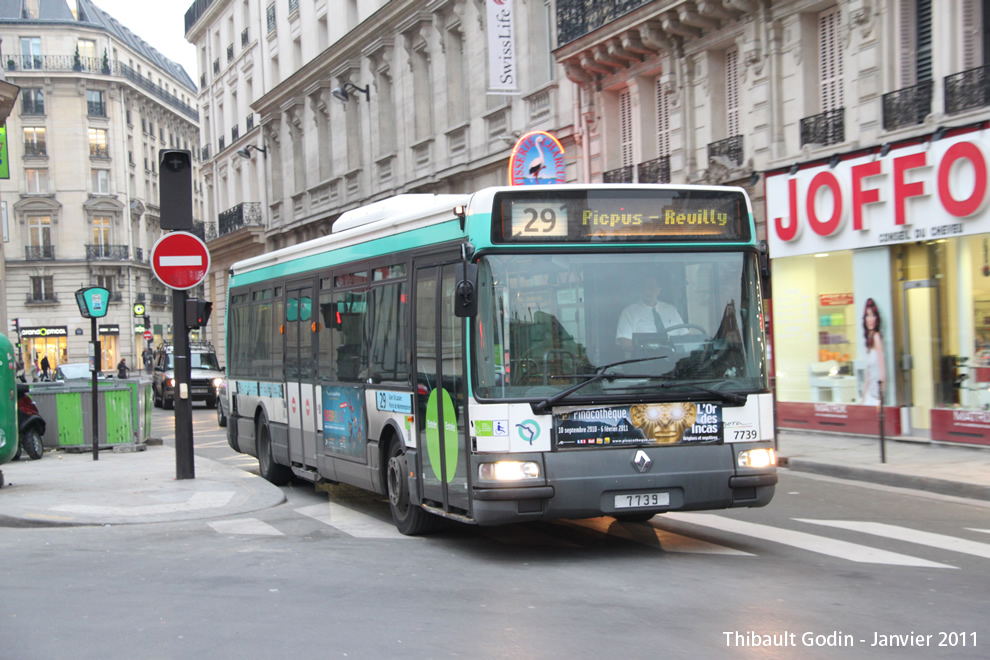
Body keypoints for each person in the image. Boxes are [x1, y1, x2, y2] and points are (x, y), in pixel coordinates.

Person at [615, 275, 687, 354]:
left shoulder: (671, 310)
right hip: (646, 361)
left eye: (651, 287)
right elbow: (626, 344)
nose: (647, 291)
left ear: (659, 290)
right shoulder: (629, 312)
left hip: (676, 360)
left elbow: (685, 336)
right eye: (643, 287)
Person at [861, 297, 886, 406]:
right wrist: (863, 397)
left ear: (876, 318)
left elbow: (883, 370)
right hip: (869, 396)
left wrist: (880, 397)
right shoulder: (869, 340)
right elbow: (868, 373)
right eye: (868, 315)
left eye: (873, 315)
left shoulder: (876, 337)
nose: (870, 319)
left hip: (876, 396)